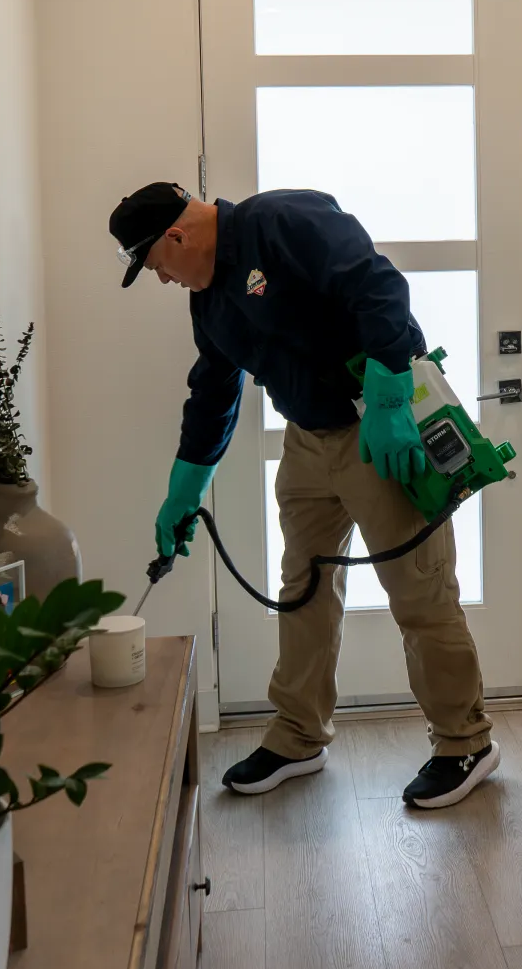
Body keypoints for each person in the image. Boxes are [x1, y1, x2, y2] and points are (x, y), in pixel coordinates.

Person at [110, 182, 499, 810]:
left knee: (419, 590)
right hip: (307, 442)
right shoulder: (209, 303)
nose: (163, 279)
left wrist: (391, 394)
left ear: (176, 237)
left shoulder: (283, 219)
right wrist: (184, 489)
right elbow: (214, 393)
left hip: (376, 428)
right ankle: (298, 735)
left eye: (156, 265)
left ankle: (465, 742)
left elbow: (378, 285)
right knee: (304, 589)